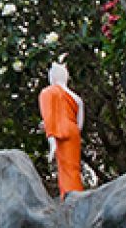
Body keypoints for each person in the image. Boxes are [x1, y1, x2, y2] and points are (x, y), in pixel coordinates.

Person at [38, 61, 85, 199]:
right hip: (73, 132)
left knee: (64, 168)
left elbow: (49, 118)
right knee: (73, 167)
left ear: (52, 77)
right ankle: (77, 192)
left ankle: (69, 196)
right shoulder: (76, 98)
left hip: (59, 131)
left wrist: (51, 141)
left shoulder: (48, 92)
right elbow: (79, 124)